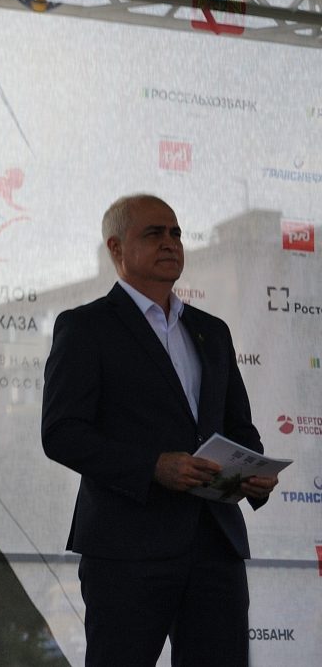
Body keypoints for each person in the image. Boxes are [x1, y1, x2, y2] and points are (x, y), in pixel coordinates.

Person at [41, 194, 278, 667]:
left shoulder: (212, 331)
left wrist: (253, 471)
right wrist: (153, 467)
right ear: (116, 248)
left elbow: (238, 426)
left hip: (215, 545)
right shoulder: (86, 327)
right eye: (154, 233)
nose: (170, 243)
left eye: (176, 233)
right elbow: (62, 433)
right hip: (126, 548)